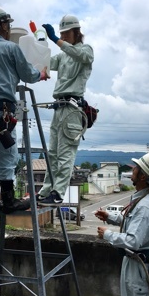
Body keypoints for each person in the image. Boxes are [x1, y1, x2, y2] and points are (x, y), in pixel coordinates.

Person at [0, 6, 49, 214]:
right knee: (7, 155)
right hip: (3, 109)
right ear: (4, 25)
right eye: (9, 24)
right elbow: (28, 74)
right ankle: (9, 201)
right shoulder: (10, 48)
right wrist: (41, 74)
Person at [94, 152, 149, 296]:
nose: (133, 169)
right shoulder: (143, 197)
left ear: (143, 177)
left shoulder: (146, 207)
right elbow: (133, 223)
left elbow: (133, 240)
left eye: (137, 168)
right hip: (138, 263)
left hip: (140, 266)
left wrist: (107, 235)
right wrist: (110, 217)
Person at [37, 15, 94, 206]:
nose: (63, 36)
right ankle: (46, 191)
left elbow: (81, 56)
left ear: (76, 32)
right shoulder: (62, 55)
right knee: (52, 153)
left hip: (72, 110)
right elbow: (45, 63)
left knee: (65, 154)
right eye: (61, 34)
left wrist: (55, 40)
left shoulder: (85, 50)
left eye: (65, 33)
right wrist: (37, 45)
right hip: (59, 108)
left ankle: (58, 193)